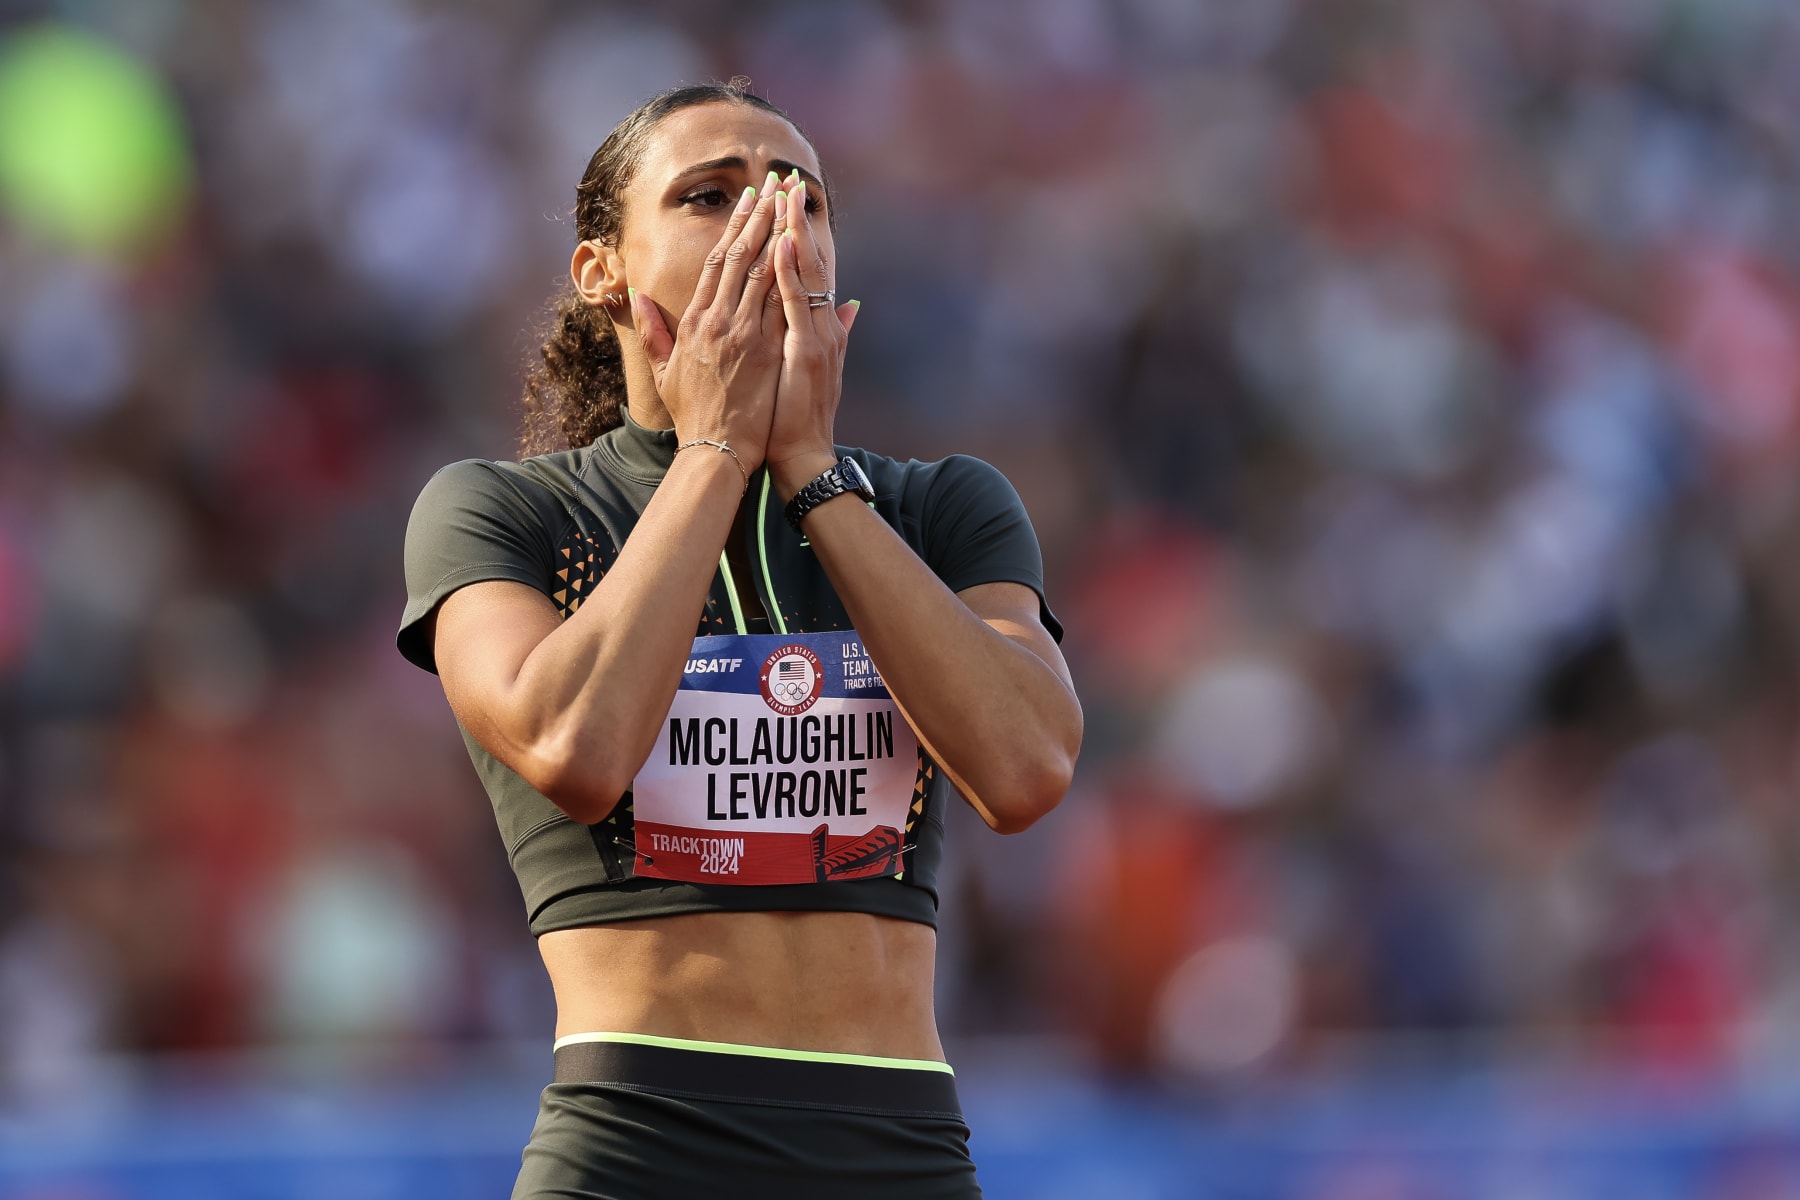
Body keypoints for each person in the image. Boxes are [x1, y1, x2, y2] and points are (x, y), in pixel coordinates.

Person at [397, 80, 1081, 1199]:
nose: (772, 225)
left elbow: (1027, 766)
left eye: (801, 199)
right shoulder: (504, 514)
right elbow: (572, 744)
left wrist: (813, 475)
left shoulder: (942, 507)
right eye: (710, 197)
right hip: (635, 1144)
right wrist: (715, 449)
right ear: (601, 272)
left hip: (896, 1148)